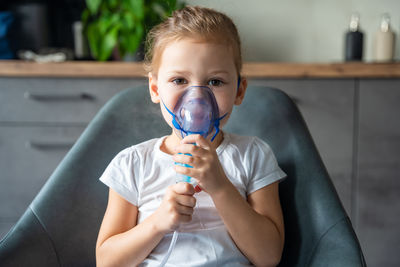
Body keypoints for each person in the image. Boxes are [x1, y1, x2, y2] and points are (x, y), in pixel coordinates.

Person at [96, 6, 286, 267]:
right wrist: (158, 223)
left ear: (239, 91)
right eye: (179, 80)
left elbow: (268, 256)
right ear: (155, 88)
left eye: (215, 82)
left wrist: (220, 187)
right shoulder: (133, 164)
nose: (196, 98)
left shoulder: (253, 155)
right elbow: (106, 261)